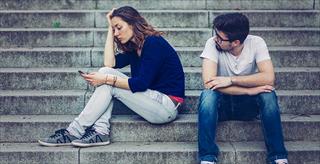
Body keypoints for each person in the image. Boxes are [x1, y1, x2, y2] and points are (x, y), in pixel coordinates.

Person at [38, 6, 185, 147]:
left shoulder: (153, 43)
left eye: (119, 28)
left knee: (106, 77)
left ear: (133, 24)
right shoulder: (135, 48)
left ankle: (75, 131)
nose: (116, 33)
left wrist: (106, 79)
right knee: (106, 72)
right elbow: (109, 64)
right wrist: (110, 28)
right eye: (114, 29)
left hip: (167, 107)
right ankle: (100, 131)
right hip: (152, 102)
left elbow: (141, 83)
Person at [198, 13, 288, 164]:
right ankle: (207, 158)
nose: (216, 39)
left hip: (247, 106)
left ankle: (278, 157)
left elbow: (268, 78)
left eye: (220, 38)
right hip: (222, 106)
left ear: (235, 42)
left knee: (268, 94)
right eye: (215, 34)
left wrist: (230, 80)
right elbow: (209, 83)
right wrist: (248, 90)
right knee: (208, 96)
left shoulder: (257, 43)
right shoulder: (212, 44)